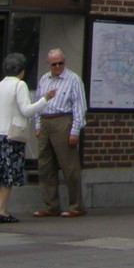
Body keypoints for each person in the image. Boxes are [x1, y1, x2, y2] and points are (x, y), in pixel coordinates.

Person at [0, 53, 52, 223]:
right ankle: (2, 211)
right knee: (8, 175)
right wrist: (45, 99)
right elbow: (27, 110)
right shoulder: (19, 85)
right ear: (21, 71)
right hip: (11, 135)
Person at [32, 48, 87, 217]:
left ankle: (76, 206)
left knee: (69, 166)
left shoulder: (73, 80)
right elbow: (38, 102)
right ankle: (51, 206)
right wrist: (37, 125)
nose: (57, 67)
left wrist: (75, 131)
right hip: (45, 121)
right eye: (53, 64)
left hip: (63, 120)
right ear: (48, 64)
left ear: (65, 62)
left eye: (60, 63)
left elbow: (79, 106)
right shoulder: (44, 79)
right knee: (45, 166)